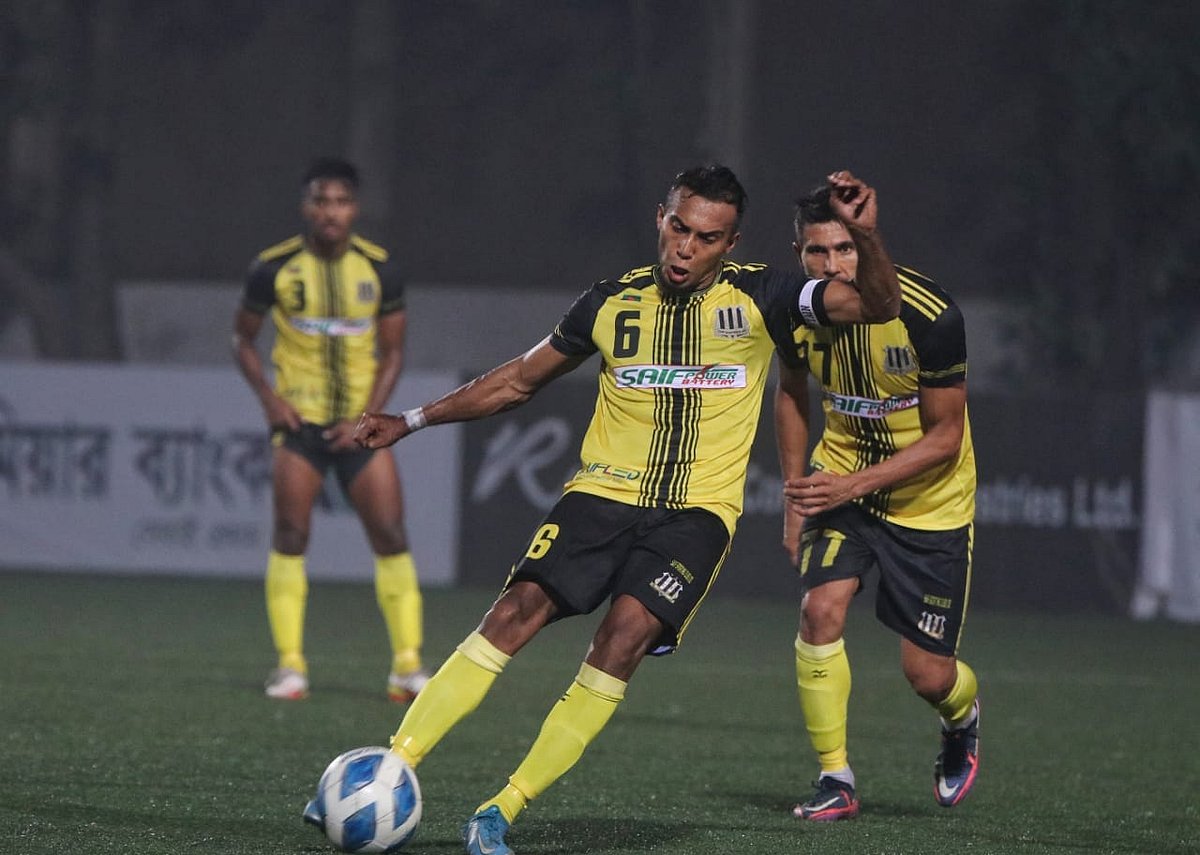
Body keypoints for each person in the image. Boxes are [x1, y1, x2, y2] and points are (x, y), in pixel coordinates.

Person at [338, 166, 900, 855]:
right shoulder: (609, 302)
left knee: (623, 637)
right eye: (679, 227)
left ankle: (500, 811)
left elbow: (874, 305)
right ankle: (395, 764)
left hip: (695, 516)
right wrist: (412, 419)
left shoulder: (765, 296)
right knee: (513, 612)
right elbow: (517, 379)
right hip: (601, 496)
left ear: (731, 243)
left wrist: (866, 235)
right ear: (661, 218)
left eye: (706, 237)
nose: (686, 247)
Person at [774, 183, 979, 821]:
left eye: (844, 247)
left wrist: (849, 486)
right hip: (844, 487)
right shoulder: (797, 310)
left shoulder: (929, 315)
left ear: (864, 243)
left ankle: (962, 718)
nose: (832, 265)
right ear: (800, 251)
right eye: (816, 251)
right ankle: (835, 778)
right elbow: (791, 393)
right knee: (819, 612)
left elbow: (946, 437)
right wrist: (795, 497)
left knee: (929, 676)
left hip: (929, 504)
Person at [232, 157, 429, 703]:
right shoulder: (273, 268)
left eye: (341, 202)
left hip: (359, 431)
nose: (331, 211)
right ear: (306, 206)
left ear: (354, 208)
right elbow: (241, 340)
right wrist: (271, 402)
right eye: (321, 201)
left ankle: (407, 668)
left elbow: (393, 353)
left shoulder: (380, 269)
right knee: (291, 536)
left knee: (390, 534)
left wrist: (370, 416)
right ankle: (290, 666)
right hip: (299, 425)